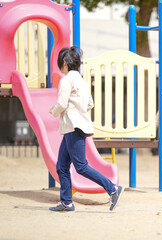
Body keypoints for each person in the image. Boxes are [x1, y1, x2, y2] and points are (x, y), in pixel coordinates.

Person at [49, 46, 124, 211]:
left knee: (81, 166)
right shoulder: (82, 81)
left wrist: (53, 111)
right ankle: (67, 202)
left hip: (73, 127)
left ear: (64, 63)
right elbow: (90, 104)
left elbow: (61, 103)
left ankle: (112, 188)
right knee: (61, 166)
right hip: (77, 126)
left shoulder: (66, 80)